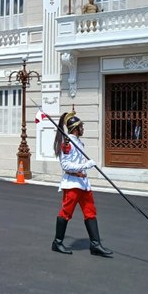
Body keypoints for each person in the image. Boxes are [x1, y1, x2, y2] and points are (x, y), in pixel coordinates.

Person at [50, 109, 112, 257]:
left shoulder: (78, 142)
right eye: (81, 126)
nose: (83, 128)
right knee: (66, 213)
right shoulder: (67, 143)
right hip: (72, 183)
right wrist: (85, 165)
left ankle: (95, 245)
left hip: (83, 183)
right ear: (75, 128)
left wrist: (85, 166)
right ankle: (57, 242)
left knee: (90, 212)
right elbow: (65, 165)